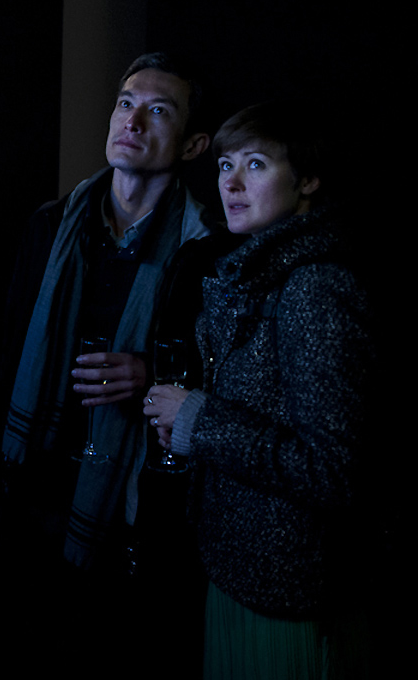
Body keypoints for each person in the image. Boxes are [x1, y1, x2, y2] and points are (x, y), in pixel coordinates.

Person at [0, 53, 216, 669]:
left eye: (159, 111)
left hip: (134, 496)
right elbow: (11, 354)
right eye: (126, 103)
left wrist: (154, 375)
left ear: (193, 144)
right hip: (39, 477)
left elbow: (226, 375)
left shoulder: (206, 249)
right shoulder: (52, 225)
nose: (133, 120)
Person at [142, 101, 373, 677]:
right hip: (240, 572)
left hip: (287, 592)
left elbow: (333, 468)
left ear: (307, 180)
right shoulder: (258, 273)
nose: (232, 183)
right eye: (225, 165)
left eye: (256, 164)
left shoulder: (315, 287)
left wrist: (198, 420)